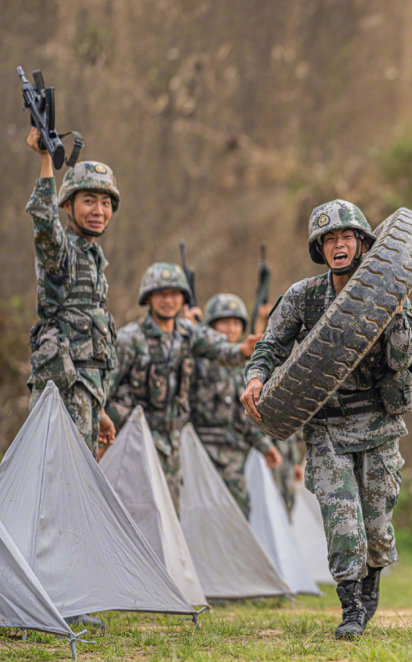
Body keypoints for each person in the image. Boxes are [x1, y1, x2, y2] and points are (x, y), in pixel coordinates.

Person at [241, 200, 412, 639]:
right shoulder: (303, 296)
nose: (338, 246)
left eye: (346, 237)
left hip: (377, 425)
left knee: (376, 528)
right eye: (329, 240)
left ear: (362, 243)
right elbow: (269, 346)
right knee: (342, 519)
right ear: (319, 249)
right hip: (326, 426)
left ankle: (371, 584)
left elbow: (402, 359)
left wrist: (394, 315)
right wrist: (256, 378)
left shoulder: (391, 292)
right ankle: (351, 606)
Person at [106, 264, 260, 511]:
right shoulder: (129, 338)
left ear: (183, 299)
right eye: (161, 294)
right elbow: (107, 385)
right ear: (148, 297)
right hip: (135, 439)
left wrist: (243, 350)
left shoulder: (188, 334)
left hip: (173, 443)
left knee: (170, 512)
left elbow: (219, 349)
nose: (168, 300)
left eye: (174, 294)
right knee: (134, 508)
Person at [24, 127, 119, 458]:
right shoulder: (60, 252)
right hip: (61, 390)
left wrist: (101, 408)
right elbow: (44, 222)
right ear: (68, 205)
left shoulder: (96, 262)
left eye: (105, 203)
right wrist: (46, 159)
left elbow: (93, 348)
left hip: (88, 396)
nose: (98, 210)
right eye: (89, 201)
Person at [190, 293, 281, 517]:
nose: (230, 329)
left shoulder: (249, 367)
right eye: (223, 322)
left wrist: (265, 446)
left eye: (235, 323)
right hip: (200, 452)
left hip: (233, 456)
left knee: (239, 515)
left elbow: (245, 415)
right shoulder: (196, 361)